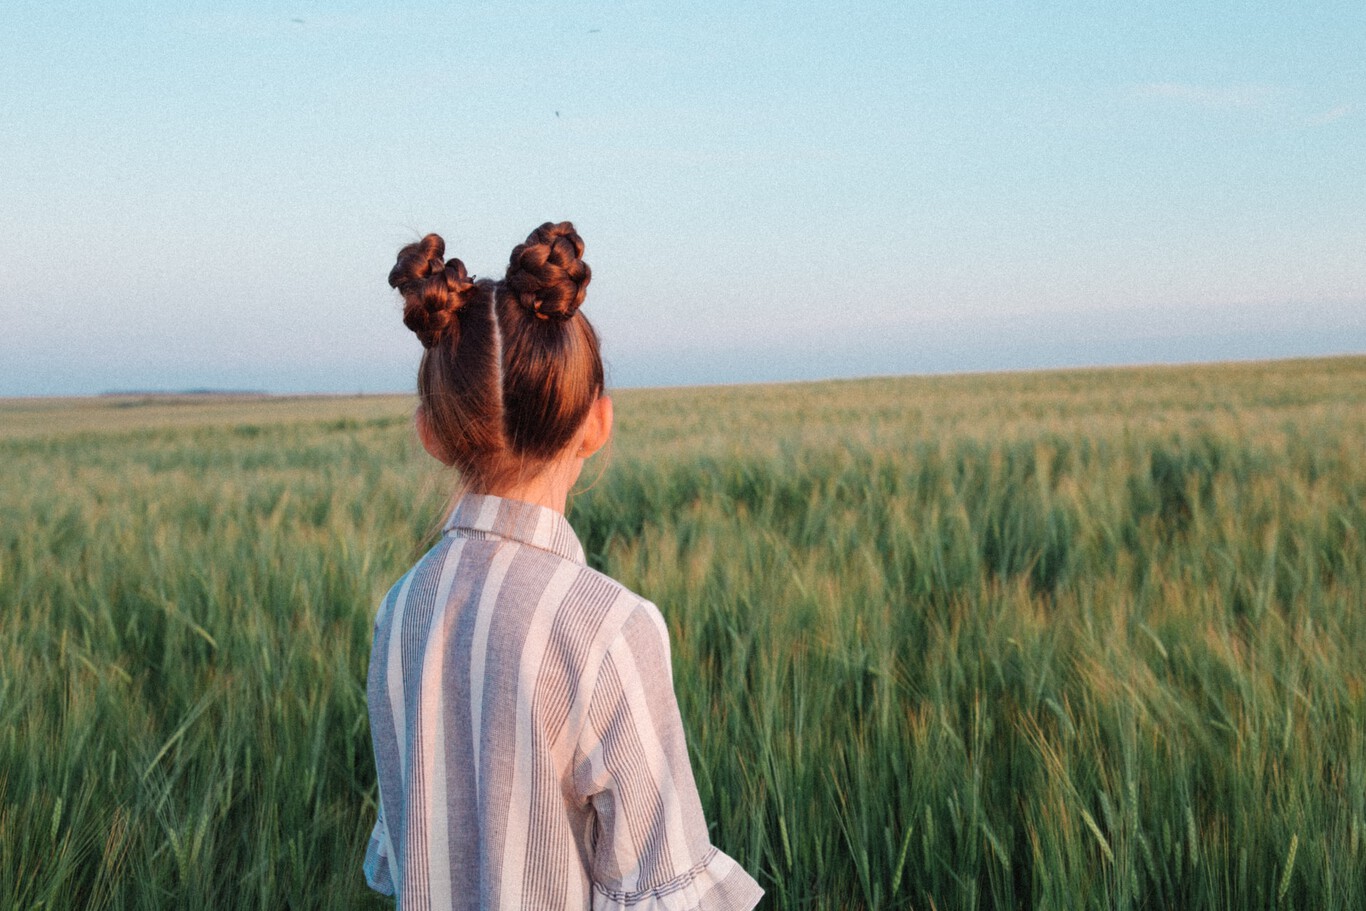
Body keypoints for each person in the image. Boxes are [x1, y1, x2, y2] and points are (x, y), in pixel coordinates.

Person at [363, 222, 764, 911]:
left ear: (430, 434)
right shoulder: (610, 628)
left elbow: (408, 852)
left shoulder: (400, 609)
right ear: (597, 423)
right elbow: (660, 890)